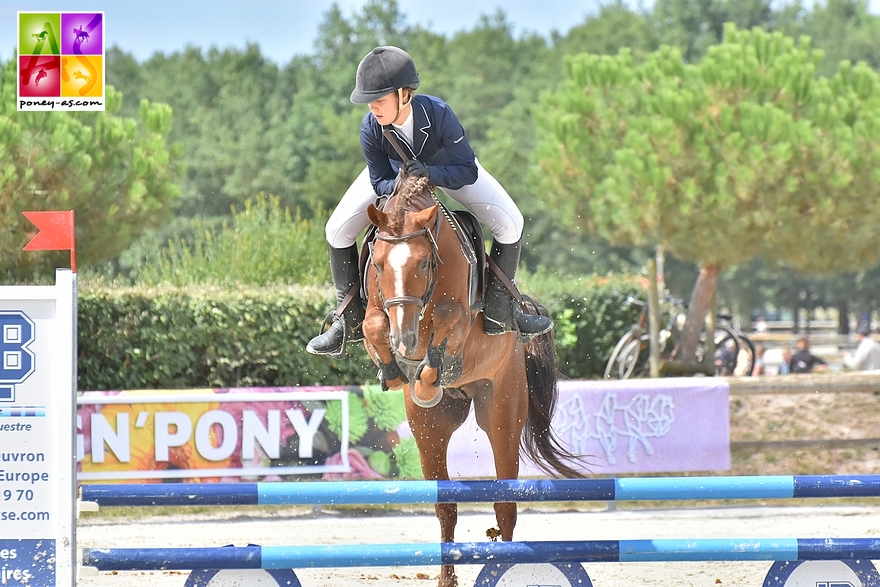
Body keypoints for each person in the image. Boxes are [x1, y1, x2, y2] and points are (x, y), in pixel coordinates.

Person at [307, 46, 552, 357]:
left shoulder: (438, 114)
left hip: (448, 169)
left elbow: (466, 170)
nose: (374, 109)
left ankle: (501, 310)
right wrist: (403, 185)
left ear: (405, 95)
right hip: (399, 182)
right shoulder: (371, 128)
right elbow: (378, 179)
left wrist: (431, 174)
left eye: (380, 101)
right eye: (370, 102)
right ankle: (348, 320)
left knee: (511, 222)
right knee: (335, 229)